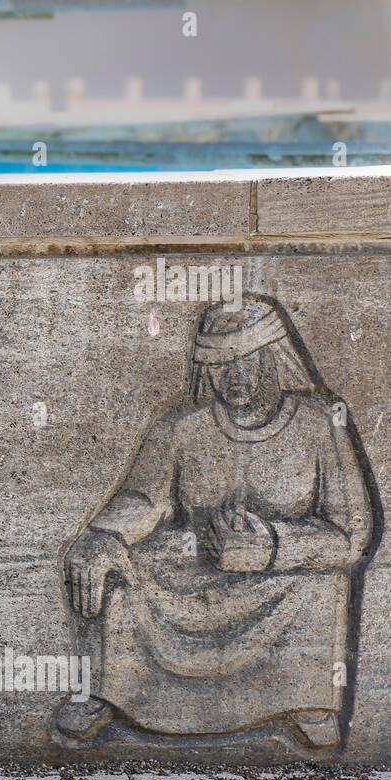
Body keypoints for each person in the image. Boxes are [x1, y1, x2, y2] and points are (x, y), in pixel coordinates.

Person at [60, 297, 376, 750]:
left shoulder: (318, 423)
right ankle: (110, 690)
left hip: (277, 581)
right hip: (194, 568)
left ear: (275, 360)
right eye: (221, 366)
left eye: (248, 362)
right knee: (118, 567)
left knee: (321, 582)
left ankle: (307, 699)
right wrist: (104, 534)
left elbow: (351, 534)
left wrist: (271, 547)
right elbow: (144, 498)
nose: (235, 379)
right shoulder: (180, 426)